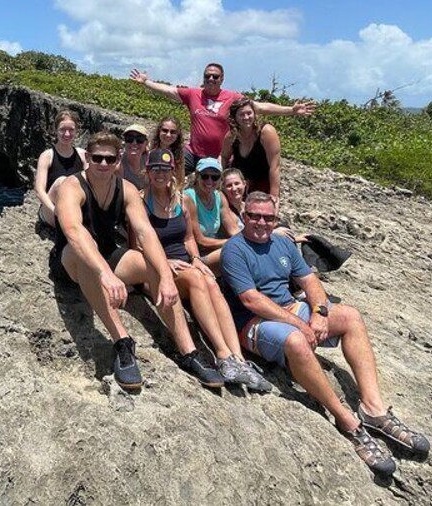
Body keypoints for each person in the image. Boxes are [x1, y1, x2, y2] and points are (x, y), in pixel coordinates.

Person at [220, 192, 431, 476]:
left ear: (276, 220)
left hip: (291, 308)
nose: (261, 222)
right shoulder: (235, 249)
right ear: (244, 217)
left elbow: (309, 279)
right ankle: (348, 422)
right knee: (296, 340)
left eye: (268, 217)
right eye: (254, 216)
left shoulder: (282, 243)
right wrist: (300, 325)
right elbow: (250, 300)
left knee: (350, 316)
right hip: (255, 323)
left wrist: (319, 312)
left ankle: (374, 409)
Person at [53, 131, 225, 390]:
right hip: (73, 259)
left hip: (110, 253)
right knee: (86, 259)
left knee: (153, 266)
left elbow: (146, 232)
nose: (102, 164)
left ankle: (188, 352)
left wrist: (166, 276)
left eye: (109, 159)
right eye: (97, 158)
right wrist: (106, 275)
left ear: (117, 160)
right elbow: (74, 231)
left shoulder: (127, 189)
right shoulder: (72, 185)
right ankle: (122, 342)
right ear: (87, 157)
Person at [142, 148, 272, 392]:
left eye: (165, 169)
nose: (160, 174)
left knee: (211, 282)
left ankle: (237, 359)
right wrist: (164, 262)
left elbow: (190, 237)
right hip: (161, 268)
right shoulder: (140, 200)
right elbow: (136, 244)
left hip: (186, 262)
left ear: (173, 172)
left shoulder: (180, 199)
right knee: (196, 279)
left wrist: (196, 258)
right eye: (155, 168)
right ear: (147, 171)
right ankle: (222, 355)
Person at [130, 63, 315, 173]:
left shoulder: (233, 97)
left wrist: (291, 110)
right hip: (192, 152)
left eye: (215, 76)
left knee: (219, 188)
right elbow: (169, 91)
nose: (211, 79)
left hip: (221, 156)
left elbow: (259, 107)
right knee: (168, 172)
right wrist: (146, 82)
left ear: (222, 79)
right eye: (207, 76)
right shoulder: (193, 94)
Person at [183, 158, 240, 273]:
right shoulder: (189, 198)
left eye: (215, 177)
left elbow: (233, 229)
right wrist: (231, 243)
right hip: (196, 255)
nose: (209, 181)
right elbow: (200, 240)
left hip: (215, 247)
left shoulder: (219, 196)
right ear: (197, 176)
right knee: (233, 252)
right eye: (205, 176)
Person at [221, 98, 282, 196]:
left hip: (262, 184)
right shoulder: (231, 136)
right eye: (241, 114)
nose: (246, 117)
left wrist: (274, 198)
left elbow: (275, 167)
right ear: (234, 117)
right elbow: (224, 157)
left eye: (249, 113)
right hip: (238, 187)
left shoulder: (266, 132)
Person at [35, 110, 87, 227]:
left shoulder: (83, 155)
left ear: (76, 131)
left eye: (71, 130)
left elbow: (91, 183)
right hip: (51, 209)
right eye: (63, 129)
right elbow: (39, 190)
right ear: (55, 130)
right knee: (62, 181)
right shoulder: (47, 156)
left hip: (75, 208)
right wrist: (55, 211)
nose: (67, 134)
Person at [150, 116, 186, 184]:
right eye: (165, 130)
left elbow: (180, 181)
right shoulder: (149, 150)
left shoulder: (179, 155)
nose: (168, 135)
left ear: (177, 135)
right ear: (159, 131)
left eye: (173, 132)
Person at [119, 124, 149, 190]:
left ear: (146, 143)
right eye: (129, 138)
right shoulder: (118, 164)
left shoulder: (150, 160)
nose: (134, 143)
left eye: (139, 139)